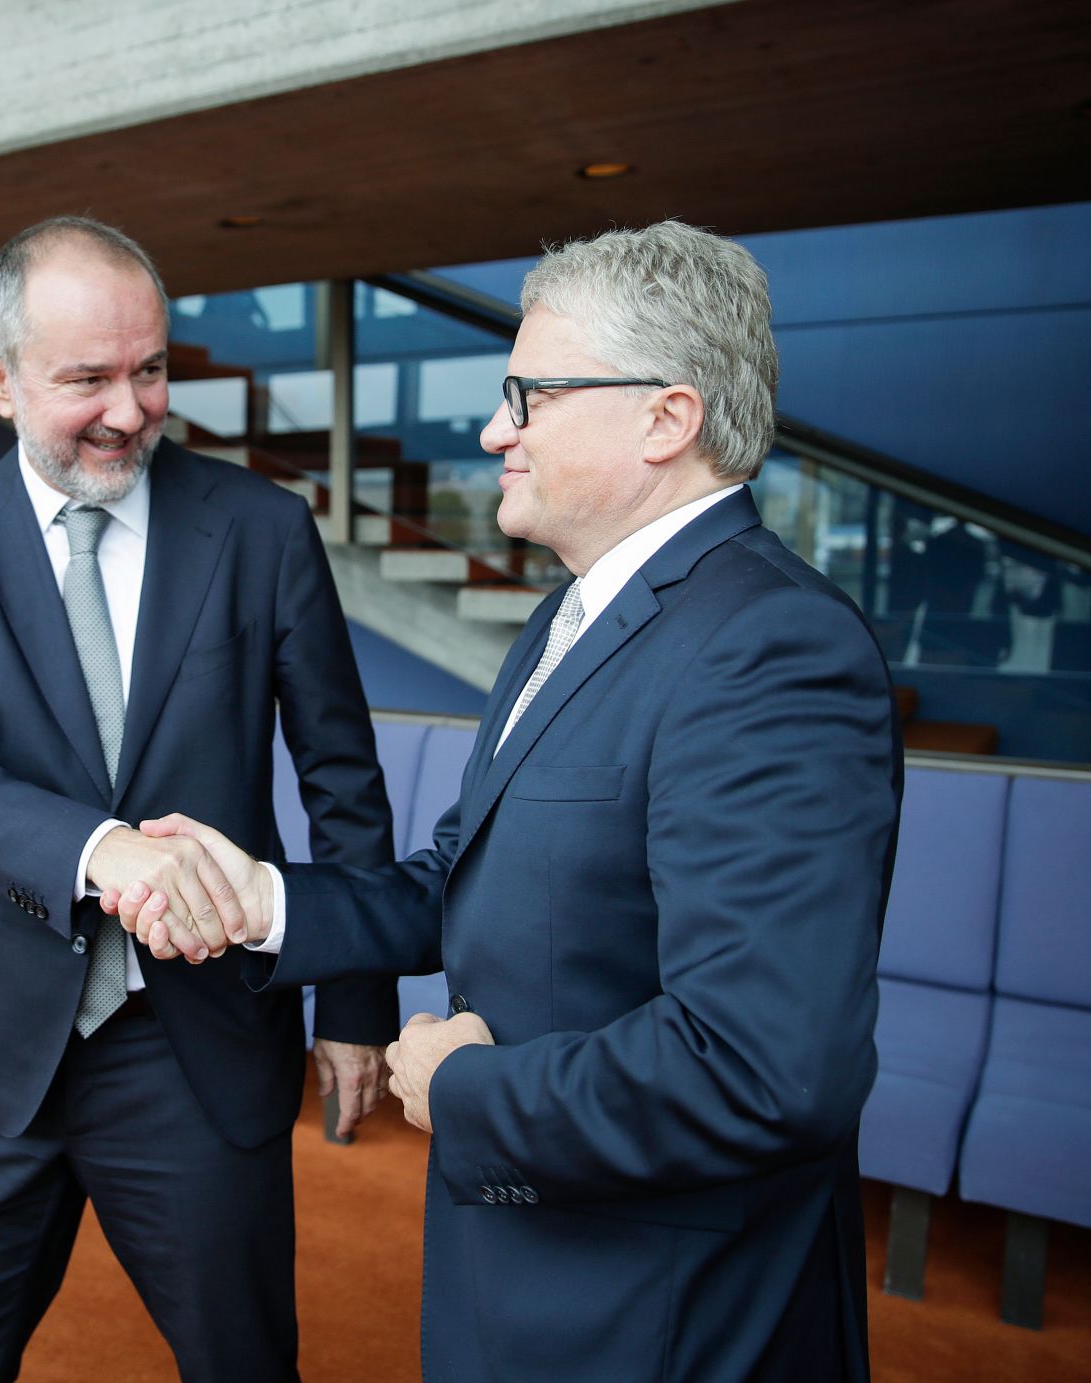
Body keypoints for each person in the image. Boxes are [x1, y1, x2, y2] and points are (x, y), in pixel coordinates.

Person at [107, 221, 903, 1382]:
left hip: (663, 1315)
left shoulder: (770, 646)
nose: (493, 433)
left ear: (664, 418)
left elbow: (764, 1070)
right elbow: (461, 879)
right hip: (533, 1268)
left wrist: (465, 1090)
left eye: (528, 397)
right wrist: (266, 902)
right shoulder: (573, 614)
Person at [0, 215, 398, 1383]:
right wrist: (99, 849)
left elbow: (340, 780)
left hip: (199, 1050)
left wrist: (356, 1003)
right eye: (88, 379)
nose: (130, 408)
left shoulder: (260, 529)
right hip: (3, 1057)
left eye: (150, 369)